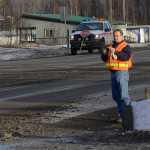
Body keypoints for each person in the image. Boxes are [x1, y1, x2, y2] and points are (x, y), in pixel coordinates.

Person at [101, 29, 133, 121]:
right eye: (115, 36)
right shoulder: (111, 46)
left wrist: (116, 53)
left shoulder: (125, 46)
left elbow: (126, 56)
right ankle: (121, 114)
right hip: (113, 72)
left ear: (122, 36)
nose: (116, 37)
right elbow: (106, 59)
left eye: (118, 35)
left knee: (124, 96)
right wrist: (103, 53)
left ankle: (128, 117)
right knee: (116, 96)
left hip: (122, 73)